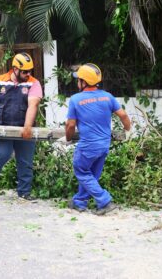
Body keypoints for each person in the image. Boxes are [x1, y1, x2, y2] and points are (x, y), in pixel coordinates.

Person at [64, 63, 130, 215]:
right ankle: (80, 201)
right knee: (91, 175)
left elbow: (70, 124)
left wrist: (68, 138)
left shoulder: (75, 99)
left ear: (84, 82)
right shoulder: (108, 97)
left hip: (87, 147)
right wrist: (128, 130)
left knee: (81, 171)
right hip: (103, 146)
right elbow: (124, 115)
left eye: (79, 79)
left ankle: (105, 201)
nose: (77, 82)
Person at [0, 52, 43, 202]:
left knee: (25, 160)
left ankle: (24, 192)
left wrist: (27, 128)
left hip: (23, 129)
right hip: (2, 128)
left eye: (30, 71)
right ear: (15, 69)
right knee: (0, 154)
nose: (28, 74)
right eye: (24, 71)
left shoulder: (34, 83)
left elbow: (33, 105)